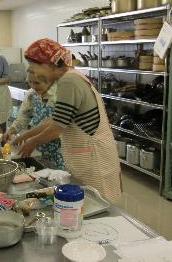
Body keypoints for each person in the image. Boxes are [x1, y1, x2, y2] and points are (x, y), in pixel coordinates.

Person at [13, 38, 121, 202]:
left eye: (35, 68)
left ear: (48, 64)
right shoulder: (72, 77)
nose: (35, 73)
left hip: (94, 158)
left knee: (101, 203)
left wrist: (32, 141)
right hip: (91, 154)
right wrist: (28, 135)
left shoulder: (69, 81)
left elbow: (57, 127)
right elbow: (56, 119)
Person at [3, 71, 65, 169]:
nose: (33, 86)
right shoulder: (31, 95)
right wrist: (11, 130)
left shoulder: (60, 95)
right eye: (30, 82)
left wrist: (27, 136)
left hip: (60, 149)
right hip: (39, 148)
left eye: (36, 83)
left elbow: (52, 123)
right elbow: (23, 117)